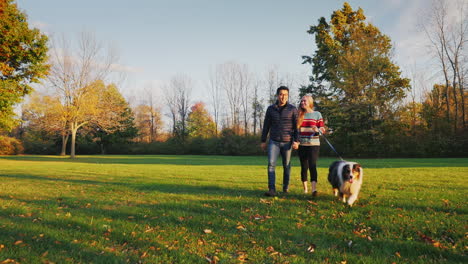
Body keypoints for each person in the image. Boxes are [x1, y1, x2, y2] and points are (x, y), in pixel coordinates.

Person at [261, 86, 299, 197]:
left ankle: (285, 187)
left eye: (285, 95)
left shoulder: (292, 109)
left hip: (288, 142)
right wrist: (263, 140)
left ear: (288, 96)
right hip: (274, 141)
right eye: (281, 94)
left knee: (286, 165)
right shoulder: (270, 109)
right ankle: (271, 189)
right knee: (271, 165)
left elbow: (296, 127)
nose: (283, 97)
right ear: (277, 95)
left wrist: (297, 141)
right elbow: (266, 125)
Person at [297, 95, 325, 196]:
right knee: (304, 167)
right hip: (302, 144)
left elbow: (322, 130)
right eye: (301, 101)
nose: (302, 103)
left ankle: (313, 190)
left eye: (304, 101)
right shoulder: (299, 114)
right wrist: (296, 141)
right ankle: (305, 189)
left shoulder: (317, 114)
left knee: (312, 165)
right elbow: (296, 131)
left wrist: (317, 130)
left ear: (310, 102)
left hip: (314, 144)